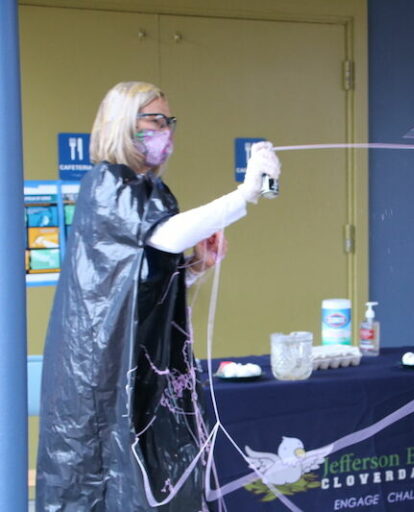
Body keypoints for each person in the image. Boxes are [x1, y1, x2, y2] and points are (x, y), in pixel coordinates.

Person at [36, 81, 280, 511]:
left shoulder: (151, 190)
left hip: (144, 369)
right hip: (103, 373)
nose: (166, 130)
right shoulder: (107, 183)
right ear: (124, 124)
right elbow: (165, 236)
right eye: (155, 119)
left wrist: (195, 266)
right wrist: (245, 194)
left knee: (152, 482)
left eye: (169, 121)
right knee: (108, 482)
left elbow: (145, 282)